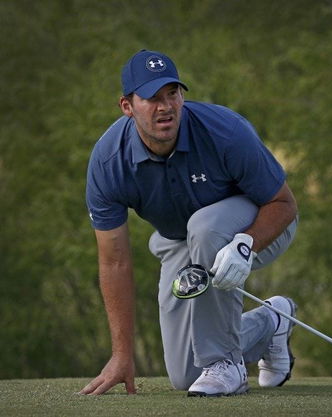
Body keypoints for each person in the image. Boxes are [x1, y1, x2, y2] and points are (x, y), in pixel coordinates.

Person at [80, 50, 299, 397]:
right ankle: (271, 321)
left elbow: (284, 204)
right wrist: (122, 356)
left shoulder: (225, 131)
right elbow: (115, 261)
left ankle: (226, 366)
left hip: (263, 225)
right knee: (186, 375)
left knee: (206, 227)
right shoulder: (109, 162)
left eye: (173, 93)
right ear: (126, 106)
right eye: (152, 98)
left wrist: (245, 245)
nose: (165, 106)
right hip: (181, 241)